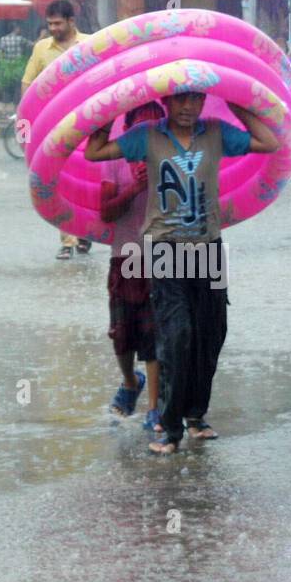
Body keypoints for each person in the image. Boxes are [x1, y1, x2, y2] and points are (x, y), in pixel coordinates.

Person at [84, 92, 279, 455]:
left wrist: (235, 99)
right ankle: (168, 427)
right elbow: (95, 152)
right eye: (180, 100)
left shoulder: (217, 133)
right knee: (177, 334)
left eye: (196, 99)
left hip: (208, 247)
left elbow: (268, 142)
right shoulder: (148, 135)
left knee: (212, 333)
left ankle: (196, 416)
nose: (188, 108)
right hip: (165, 247)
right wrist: (107, 109)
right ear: (167, 101)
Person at [99, 102, 166, 430]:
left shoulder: (173, 161)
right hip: (125, 256)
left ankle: (155, 406)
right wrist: (133, 188)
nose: (149, 134)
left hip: (162, 257)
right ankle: (130, 382)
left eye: (156, 127)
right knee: (122, 335)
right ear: (129, 131)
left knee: (153, 333)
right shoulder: (114, 163)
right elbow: (106, 212)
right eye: (141, 128)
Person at [23, 0, 93, 260]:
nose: (53, 28)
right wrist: (27, 118)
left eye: (57, 23)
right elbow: (28, 84)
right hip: (54, 127)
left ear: (71, 21)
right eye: (49, 23)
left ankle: (86, 232)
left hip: (88, 123)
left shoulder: (90, 44)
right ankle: (67, 239)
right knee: (61, 181)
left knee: (86, 180)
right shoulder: (42, 49)